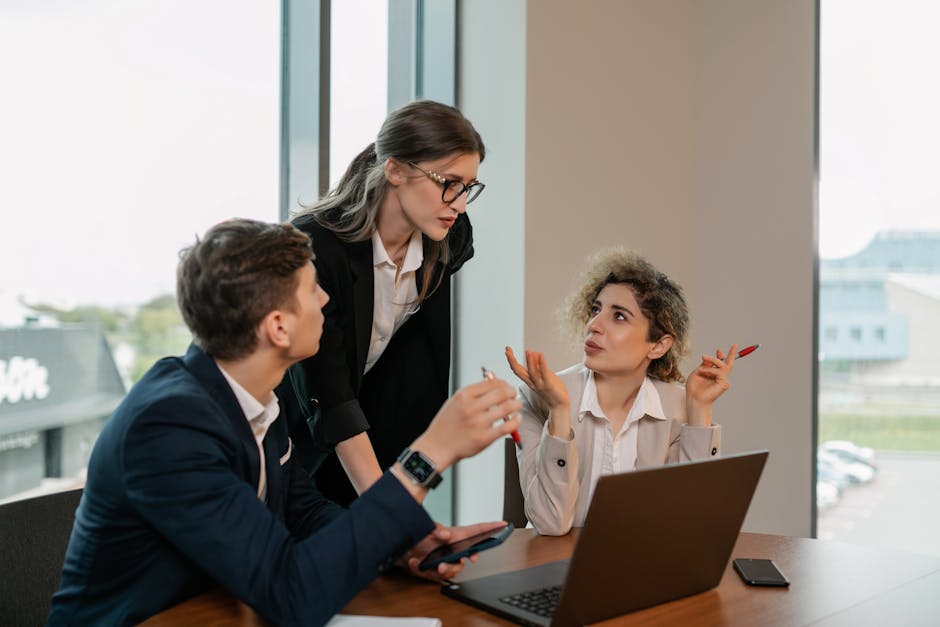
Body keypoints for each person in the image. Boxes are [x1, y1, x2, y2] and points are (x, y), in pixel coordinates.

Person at [48, 219, 521, 626]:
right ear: (278, 327)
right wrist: (428, 456)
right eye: (312, 288)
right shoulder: (168, 427)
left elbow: (303, 511)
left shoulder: (257, 400)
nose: (325, 297)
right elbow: (291, 597)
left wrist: (401, 544)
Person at [280, 99, 487, 506]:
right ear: (394, 169)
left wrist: (406, 506)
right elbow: (332, 398)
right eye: (448, 182)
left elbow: (414, 390)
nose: (459, 204)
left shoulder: (449, 236)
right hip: (290, 445)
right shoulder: (317, 252)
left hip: (371, 441)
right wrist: (387, 516)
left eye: (467, 187)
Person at [505, 247, 737, 536]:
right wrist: (559, 414)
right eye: (596, 310)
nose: (593, 325)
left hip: (641, 568)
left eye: (619, 317)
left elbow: (693, 522)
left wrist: (699, 409)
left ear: (658, 345)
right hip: (555, 568)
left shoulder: (678, 407)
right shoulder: (537, 397)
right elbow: (551, 524)